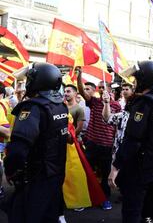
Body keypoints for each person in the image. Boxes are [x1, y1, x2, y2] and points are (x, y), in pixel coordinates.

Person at [108, 61, 153, 223]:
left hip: (139, 168)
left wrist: (116, 167)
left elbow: (133, 139)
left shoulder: (144, 104)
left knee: (132, 211)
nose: (134, 84)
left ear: (144, 80)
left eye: (136, 80)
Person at [3, 62, 69, 222]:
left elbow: (18, 149)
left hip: (34, 179)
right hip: (54, 175)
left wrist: (10, 170)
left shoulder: (32, 108)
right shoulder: (60, 106)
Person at [76, 68, 121, 210]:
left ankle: (104, 199)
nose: (101, 90)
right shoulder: (94, 102)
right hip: (92, 144)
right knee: (86, 172)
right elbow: (82, 91)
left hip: (107, 145)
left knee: (105, 174)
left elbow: (117, 125)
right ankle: (84, 198)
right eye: (99, 88)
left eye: (103, 87)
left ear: (109, 90)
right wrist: (80, 76)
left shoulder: (116, 105)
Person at [102, 83, 134, 161]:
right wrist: (106, 103)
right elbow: (107, 118)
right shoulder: (124, 113)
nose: (125, 91)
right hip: (118, 150)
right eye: (123, 89)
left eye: (127, 89)